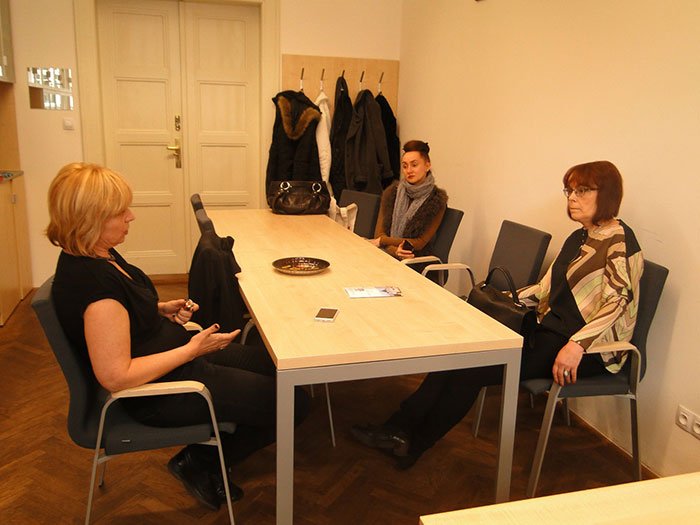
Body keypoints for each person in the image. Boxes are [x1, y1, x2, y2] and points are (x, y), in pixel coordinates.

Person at [47, 163, 310, 511]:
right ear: (90, 219)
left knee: (278, 367)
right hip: (163, 391)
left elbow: (120, 316)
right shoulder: (95, 288)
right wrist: (191, 350)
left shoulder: (96, 253)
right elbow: (116, 376)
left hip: (179, 360)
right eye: (120, 212)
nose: (131, 216)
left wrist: (158, 310)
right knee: (295, 402)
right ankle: (200, 462)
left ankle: (219, 441)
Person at [352, 160, 644, 469]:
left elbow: (618, 302)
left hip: (588, 348)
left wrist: (577, 346)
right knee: (458, 354)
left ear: (607, 194)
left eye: (582, 190)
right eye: (569, 190)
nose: (572, 197)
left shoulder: (620, 241)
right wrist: (498, 300)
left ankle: (414, 444)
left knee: (472, 370)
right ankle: (398, 428)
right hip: (549, 331)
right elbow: (544, 289)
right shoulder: (580, 236)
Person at [370, 140, 447, 263]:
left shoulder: (436, 200)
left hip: (416, 260)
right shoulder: (391, 193)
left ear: (427, 166)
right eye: (405, 166)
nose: (409, 170)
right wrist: (394, 250)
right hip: (387, 254)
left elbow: (419, 243)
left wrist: (382, 241)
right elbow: (379, 234)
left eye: (414, 165)